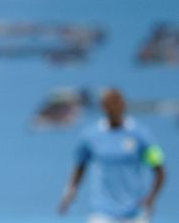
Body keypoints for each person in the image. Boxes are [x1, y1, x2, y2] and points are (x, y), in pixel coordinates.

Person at [58, 88, 165, 223]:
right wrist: (70, 192)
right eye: (108, 104)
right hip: (102, 211)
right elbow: (80, 165)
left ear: (123, 105)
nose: (113, 108)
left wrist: (151, 197)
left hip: (134, 212)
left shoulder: (141, 136)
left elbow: (159, 170)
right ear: (103, 107)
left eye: (116, 103)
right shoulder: (91, 136)